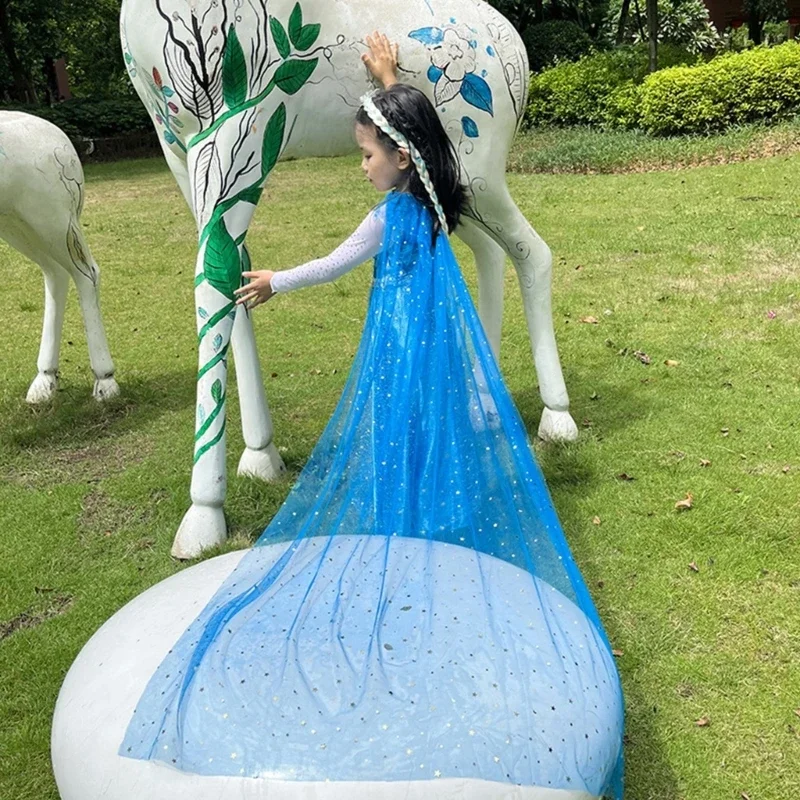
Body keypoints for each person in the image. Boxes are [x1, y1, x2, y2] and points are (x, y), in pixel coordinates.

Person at [120, 33, 625, 799]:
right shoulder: (435, 199)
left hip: (398, 347)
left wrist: (273, 282)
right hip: (434, 344)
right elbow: (434, 142)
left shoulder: (393, 214)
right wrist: (388, 82)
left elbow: (332, 262)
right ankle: (429, 516)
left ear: (398, 155)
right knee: (431, 428)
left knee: (392, 431)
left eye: (367, 154)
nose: (362, 166)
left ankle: (405, 526)